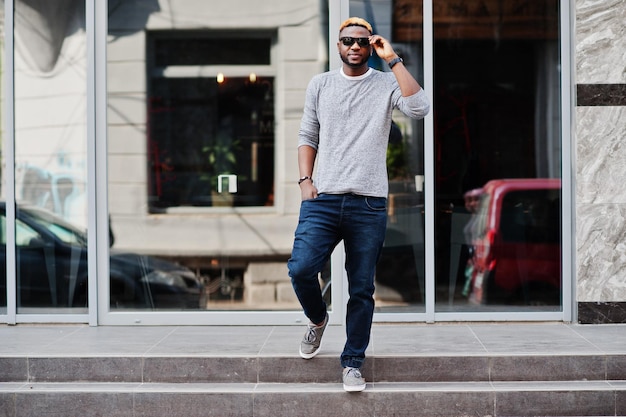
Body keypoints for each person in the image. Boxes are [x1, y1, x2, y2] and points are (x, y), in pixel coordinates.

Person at [287, 17, 430, 392]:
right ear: (338, 45)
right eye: (348, 40)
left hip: (368, 204)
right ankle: (318, 321)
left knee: (361, 288)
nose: (354, 46)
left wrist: (393, 58)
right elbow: (307, 133)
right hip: (323, 199)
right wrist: (305, 181)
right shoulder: (321, 84)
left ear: (370, 47)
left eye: (362, 42)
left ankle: (352, 363)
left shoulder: (385, 84)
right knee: (301, 269)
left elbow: (420, 108)